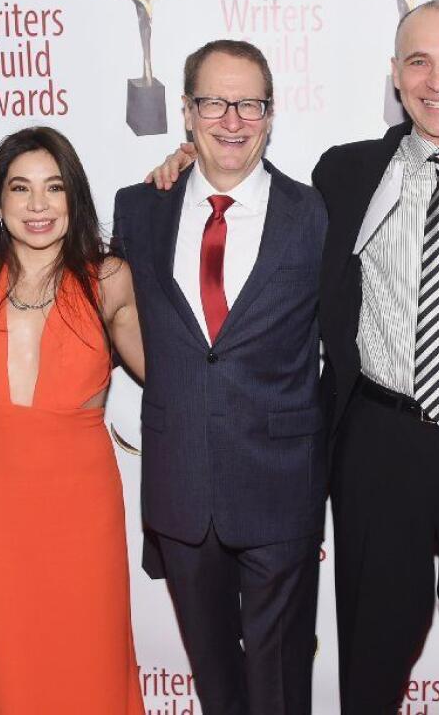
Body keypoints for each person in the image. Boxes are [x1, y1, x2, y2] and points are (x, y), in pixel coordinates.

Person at [148, 2, 439, 713]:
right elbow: (251, 200)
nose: (438, 80)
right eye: (417, 62)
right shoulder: (344, 176)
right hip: (379, 450)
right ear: (395, 78)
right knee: (368, 673)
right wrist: (189, 164)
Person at [116, 40, 328, 714]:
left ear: (270, 114)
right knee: (217, 688)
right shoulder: (138, 209)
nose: (231, 119)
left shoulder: (316, 214)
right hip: (181, 493)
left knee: (280, 690)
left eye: (249, 104)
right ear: (185, 111)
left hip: (280, 487)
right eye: (213, 101)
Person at [0, 126, 144, 712]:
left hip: (79, 498)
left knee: (89, 652)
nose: (37, 206)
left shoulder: (108, 277)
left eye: (53, 188)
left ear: (74, 199)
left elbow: (165, 372)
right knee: (9, 655)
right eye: (20, 188)